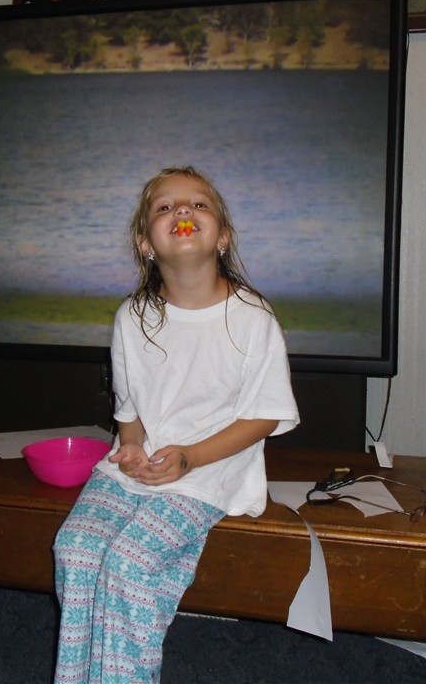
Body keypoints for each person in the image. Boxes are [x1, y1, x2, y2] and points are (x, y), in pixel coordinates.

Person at [52, 166, 299, 683]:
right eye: (164, 207)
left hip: (212, 470)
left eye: (198, 204)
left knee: (129, 563)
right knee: (75, 549)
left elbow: (265, 414)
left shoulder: (253, 317)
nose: (182, 211)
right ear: (146, 244)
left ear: (222, 237)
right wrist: (131, 446)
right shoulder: (132, 316)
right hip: (141, 467)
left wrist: (190, 457)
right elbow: (130, 410)